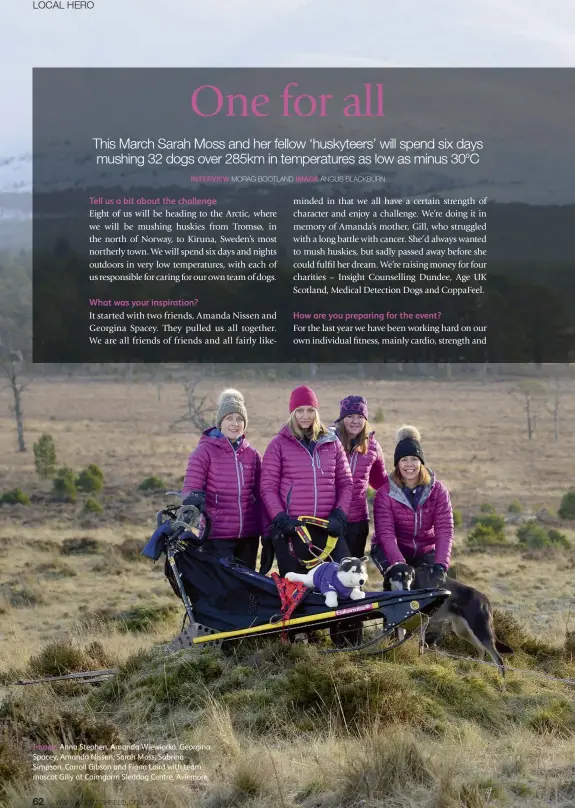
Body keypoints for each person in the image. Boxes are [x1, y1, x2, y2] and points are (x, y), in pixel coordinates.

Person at [260, 385, 353, 577]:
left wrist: (340, 515)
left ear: (316, 412)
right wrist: (281, 519)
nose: (305, 416)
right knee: (299, 591)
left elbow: (345, 482)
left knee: (343, 583)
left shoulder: (332, 443)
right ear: (292, 413)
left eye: (310, 410)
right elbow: (267, 487)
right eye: (299, 411)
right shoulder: (278, 444)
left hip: (328, 528)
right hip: (294, 530)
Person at [181, 388, 261, 569]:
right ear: (220, 422)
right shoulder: (204, 452)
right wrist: (193, 500)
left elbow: (261, 494)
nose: (235, 423)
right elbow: (191, 487)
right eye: (229, 418)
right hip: (216, 536)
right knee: (221, 590)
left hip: (248, 537)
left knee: (246, 591)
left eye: (240, 419)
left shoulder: (252, 454)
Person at [371, 425, 453, 587]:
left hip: (425, 549)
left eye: (414, 459)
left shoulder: (438, 491)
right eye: (404, 459)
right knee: (399, 584)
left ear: (421, 462)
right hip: (390, 549)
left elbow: (444, 529)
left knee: (436, 587)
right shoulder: (385, 493)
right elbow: (386, 533)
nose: (409, 464)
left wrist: (441, 565)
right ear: (397, 463)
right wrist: (399, 563)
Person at [332, 395, 387, 558]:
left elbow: (380, 482)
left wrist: (407, 485)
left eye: (360, 417)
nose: (355, 421)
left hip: (358, 521)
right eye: (350, 416)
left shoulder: (372, 447)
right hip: (331, 518)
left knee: (353, 575)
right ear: (342, 419)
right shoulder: (328, 442)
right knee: (330, 573)